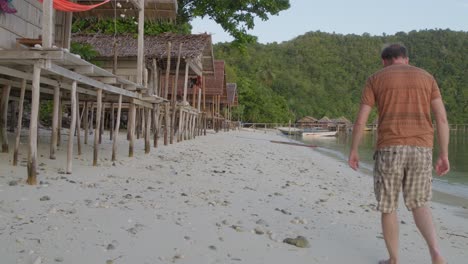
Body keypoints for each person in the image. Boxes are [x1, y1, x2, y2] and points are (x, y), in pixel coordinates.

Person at [348, 43, 450, 264]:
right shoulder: (427, 77)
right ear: (406, 58)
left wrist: (354, 150)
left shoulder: (376, 78)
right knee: (419, 203)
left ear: (385, 61)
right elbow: (441, 118)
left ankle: (394, 259)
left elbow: (361, 120)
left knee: (388, 206)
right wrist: (444, 154)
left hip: (389, 149)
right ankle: (435, 253)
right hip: (421, 148)